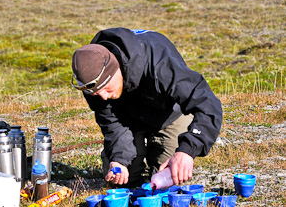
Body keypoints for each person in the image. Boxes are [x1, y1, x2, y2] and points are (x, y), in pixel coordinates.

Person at [71, 28, 222, 188]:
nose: (103, 97)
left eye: (107, 88)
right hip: (128, 120)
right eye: (96, 93)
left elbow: (207, 103)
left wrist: (187, 151)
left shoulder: (160, 65)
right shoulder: (91, 78)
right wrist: (119, 160)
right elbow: (113, 124)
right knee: (123, 179)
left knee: (170, 176)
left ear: (116, 70)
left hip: (169, 114)